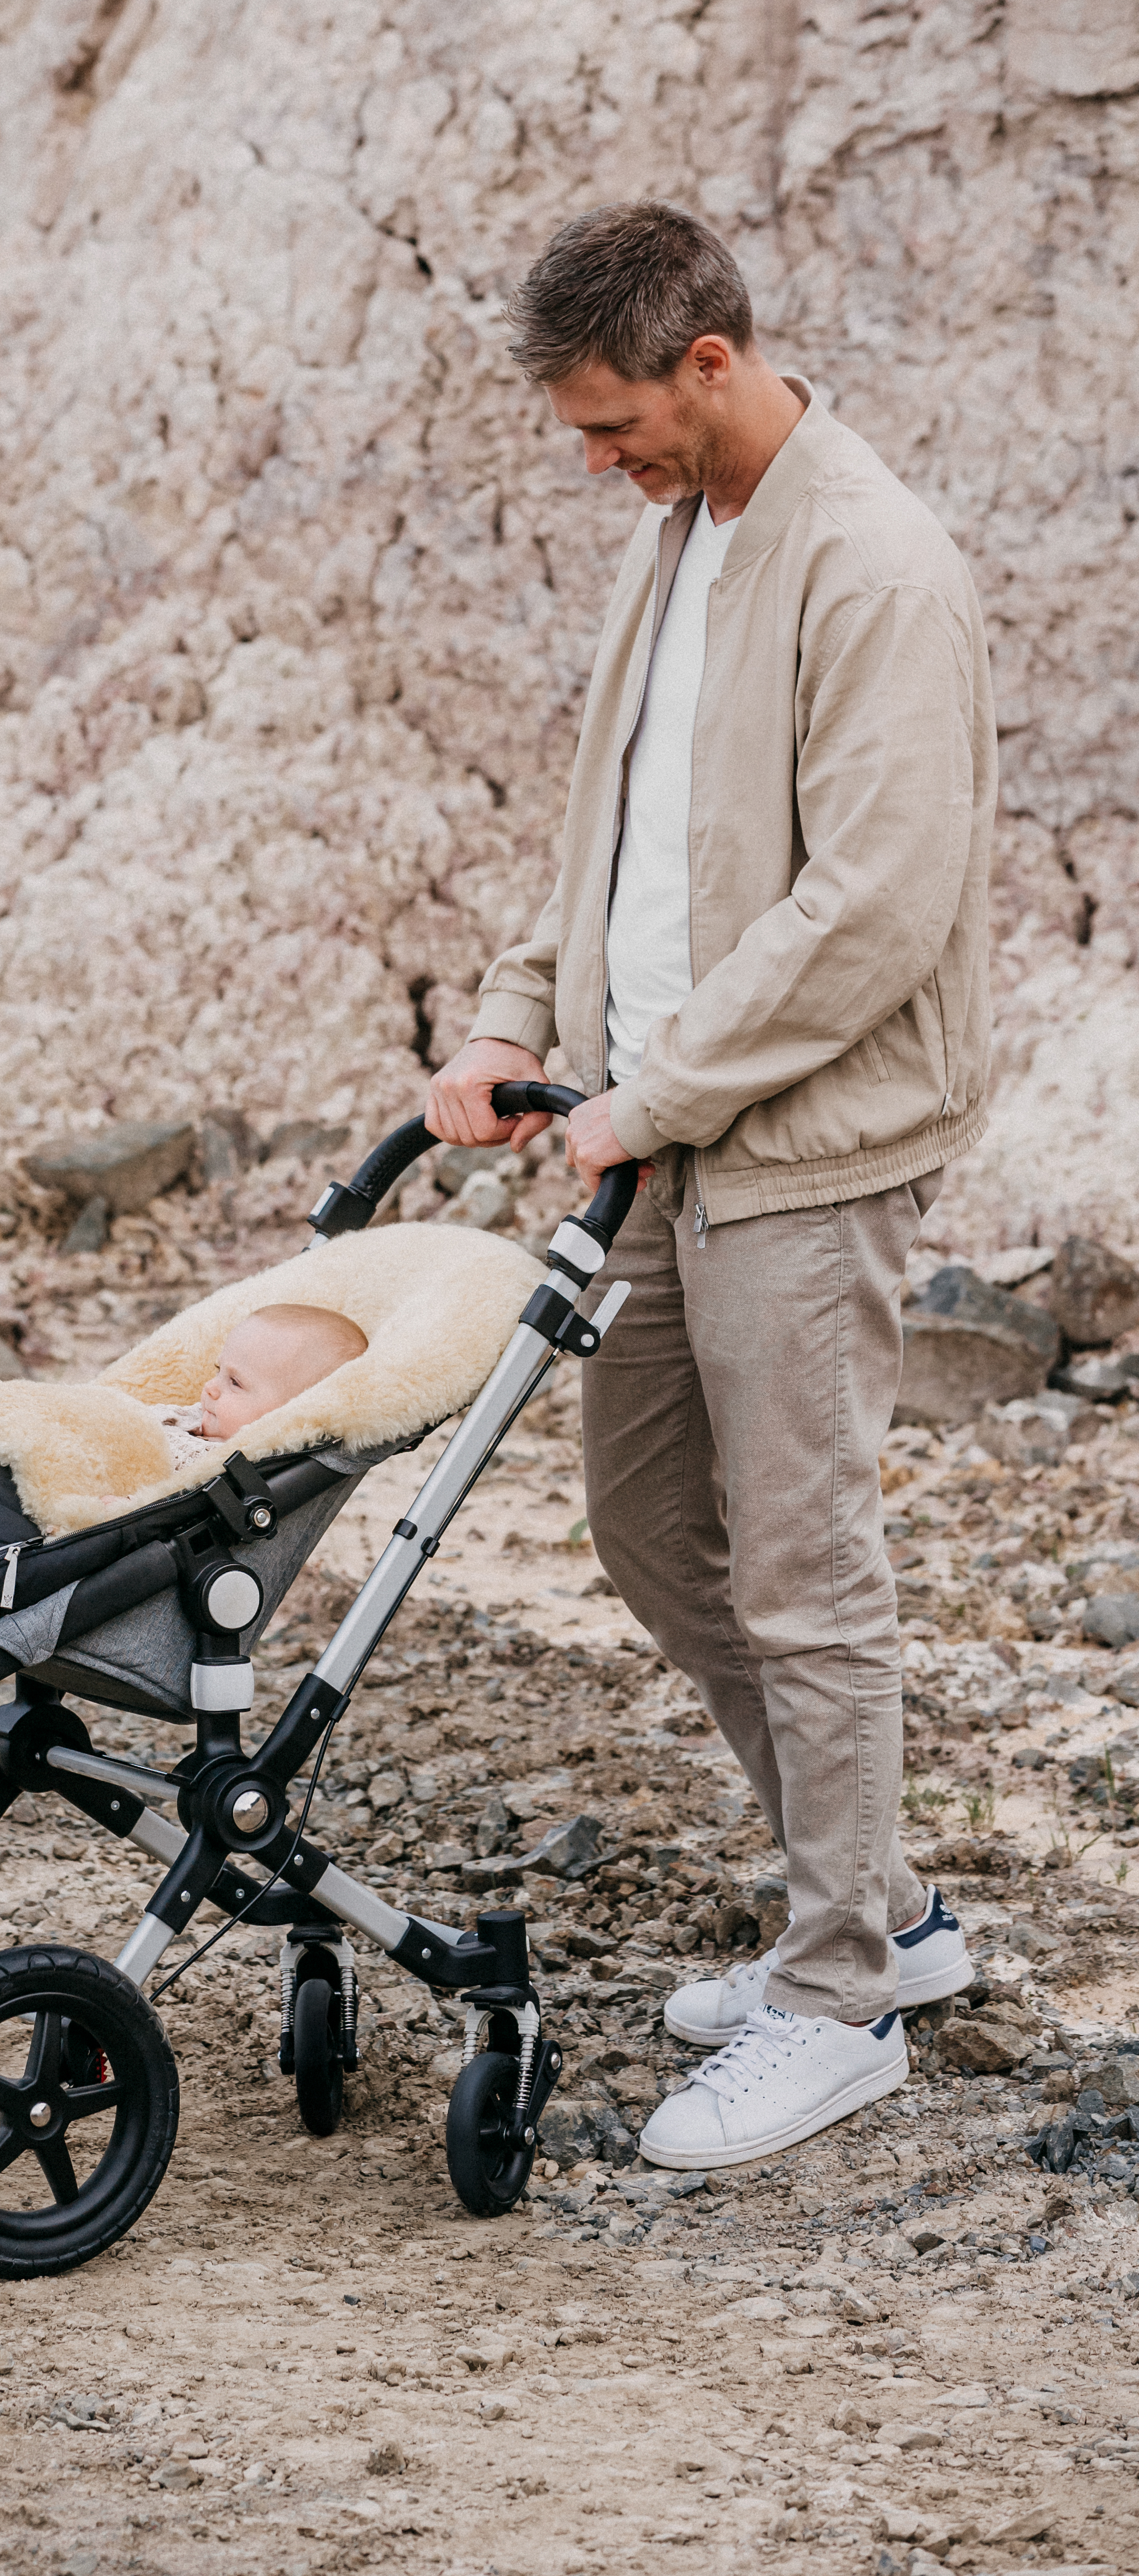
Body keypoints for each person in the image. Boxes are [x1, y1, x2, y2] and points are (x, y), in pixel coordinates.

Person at [426, 200, 990, 2169]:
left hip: (801, 1152)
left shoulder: (871, 559)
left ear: (707, 364)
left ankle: (840, 1997)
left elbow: (877, 900)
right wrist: (514, 1022)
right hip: (655, 1130)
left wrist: (651, 1088)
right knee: (652, 1528)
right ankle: (885, 1909)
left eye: (610, 427)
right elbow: (609, 833)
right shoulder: (672, 545)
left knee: (808, 1574)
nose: (594, 469)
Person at [93, 1304, 368, 1505]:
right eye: (218, 1370)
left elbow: (170, 1504)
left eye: (235, 1383)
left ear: (286, 1415)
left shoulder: (226, 1467)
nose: (211, 1388)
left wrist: (128, 1507)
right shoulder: (198, 1417)